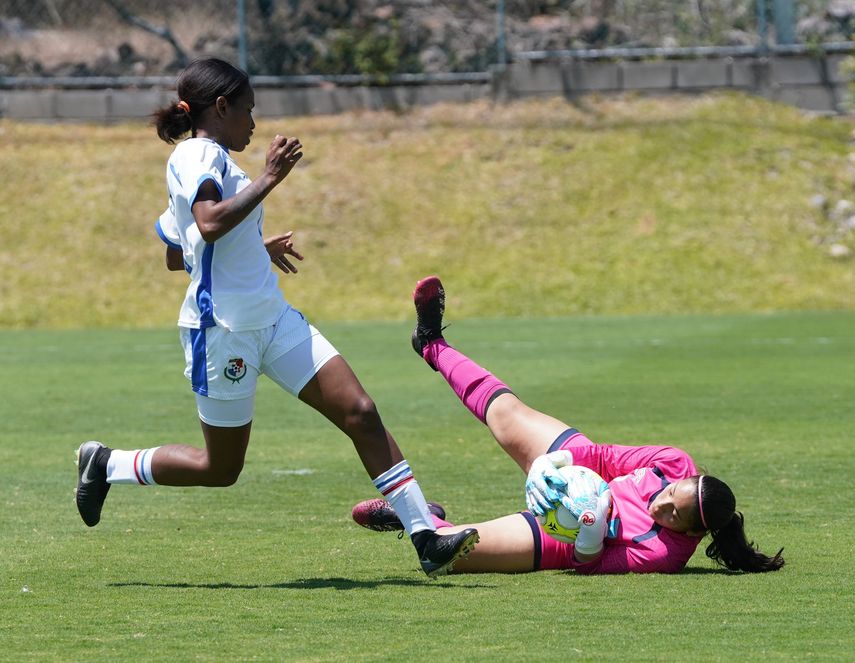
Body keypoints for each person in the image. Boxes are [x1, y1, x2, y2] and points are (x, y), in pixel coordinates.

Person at [74, 58, 478, 578]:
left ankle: (426, 537)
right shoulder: (197, 153)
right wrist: (270, 177)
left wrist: (252, 245)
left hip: (274, 319)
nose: (254, 123)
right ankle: (107, 464)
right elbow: (209, 223)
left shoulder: (212, 158)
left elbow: (181, 251)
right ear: (220, 108)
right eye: (247, 110)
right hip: (223, 333)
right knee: (220, 469)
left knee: (361, 412)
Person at [352, 276, 785, 574]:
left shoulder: (663, 553)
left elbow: (590, 566)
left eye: (673, 514)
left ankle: (418, 517)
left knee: (448, 555)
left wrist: (592, 531)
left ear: (692, 533)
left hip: (562, 536)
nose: (662, 505)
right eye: (671, 495)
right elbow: (602, 457)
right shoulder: (672, 463)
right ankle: (431, 343)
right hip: (576, 470)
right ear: (681, 478)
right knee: (505, 412)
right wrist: (551, 464)